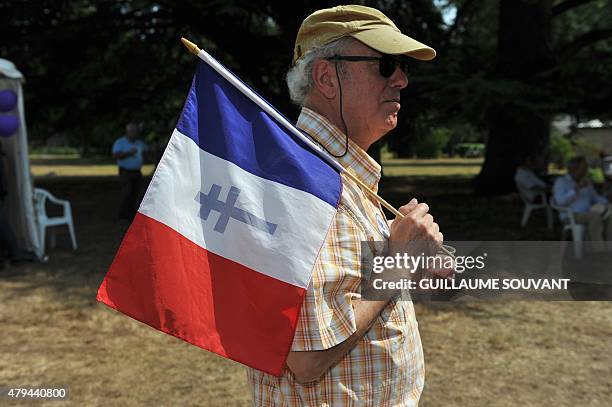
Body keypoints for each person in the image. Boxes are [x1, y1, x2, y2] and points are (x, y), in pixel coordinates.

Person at [246, 5, 447, 406]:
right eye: (386, 65)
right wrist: (398, 262)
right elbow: (307, 357)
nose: (402, 80)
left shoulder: (341, 172)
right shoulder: (301, 182)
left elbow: (356, 289)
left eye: (403, 67)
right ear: (327, 77)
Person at [553, 156, 612, 251]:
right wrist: (576, 189)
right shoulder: (561, 182)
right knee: (595, 216)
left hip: (588, 211)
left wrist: (607, 200)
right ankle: (599, 250)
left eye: (586, 168)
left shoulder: (585, 182)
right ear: (574, 169)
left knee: (610, 213)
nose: (585, 171)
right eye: (583, 168)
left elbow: (595, 198)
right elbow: (560, 202)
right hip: (571, 215)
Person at [112, 123, 147, 221]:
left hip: (137, 171)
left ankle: (131, 213)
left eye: (136, 132)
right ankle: (124, 214)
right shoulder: (120, 142)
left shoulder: (140, 143)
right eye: (132, 132)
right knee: (127, 191)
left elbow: (146, 152)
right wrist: (128, 153)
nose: (134, 134)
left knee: (136, 192)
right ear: (127, 132)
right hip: (125, 171)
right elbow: (115, 155)